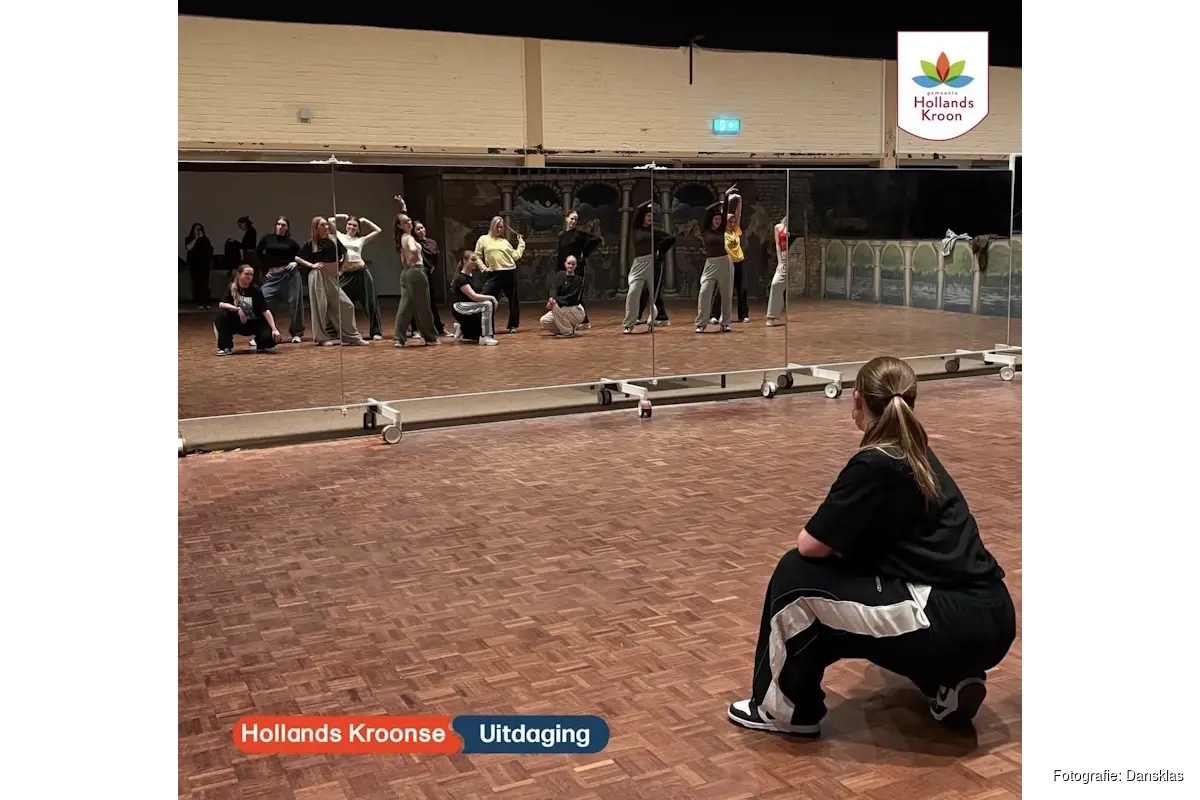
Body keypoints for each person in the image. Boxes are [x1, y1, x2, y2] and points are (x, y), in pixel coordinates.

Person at [726, 356, 1016, 738]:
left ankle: (784, 712)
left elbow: (809, 546)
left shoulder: (875, 463)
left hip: (951, 619)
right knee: (868, 596)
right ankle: (948, 680)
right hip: (992, 614)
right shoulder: (919, 454)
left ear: (858, 399)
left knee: (795, 579)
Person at [294, 217, 367, 347]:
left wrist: (341, 269)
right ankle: (322, 338)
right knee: (320, 307)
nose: (326, 227)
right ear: (316, 228)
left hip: (331, 276)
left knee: (346, 305)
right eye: (323, 225)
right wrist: (312, 265)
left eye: (327, 224)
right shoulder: (312, 243)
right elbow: (298, 258)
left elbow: (345, 253)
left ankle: (352, 337)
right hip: (317, 276)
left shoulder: (333, 239)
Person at [392, 196, 440, 347]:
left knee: (406, 306)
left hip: (406, 273)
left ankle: (399, 338)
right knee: (423, 306)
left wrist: (403, 206)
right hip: (416, 272)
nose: (409, 222)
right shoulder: (408, 238)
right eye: (406, 222)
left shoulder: (401, 237)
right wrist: (413, 253)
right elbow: (412, 249)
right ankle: (430, 337)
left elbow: (403, 257)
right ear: (400, 226)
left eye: (409, 220)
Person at [330, 213, 384, 340]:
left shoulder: (361, 240)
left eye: (355, 225)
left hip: (362, 273)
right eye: (349, 224)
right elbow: (329, 221)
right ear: (346, 226)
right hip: (346, 274)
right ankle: (336, 331)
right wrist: (342, 216)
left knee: (370, 302)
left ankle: (376, 332)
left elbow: (378, 230)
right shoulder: (339, 236)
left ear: (358, 228)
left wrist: (365, 221)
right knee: (338, 301)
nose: (351, 227)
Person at [255, 216, 305, 343]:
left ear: (287, 228)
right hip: (272, 276)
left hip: (290, 275)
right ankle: (263, 333)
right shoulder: (267, 239)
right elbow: (257, 255)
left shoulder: (291, 243)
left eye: (283, 225)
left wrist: (296, 263)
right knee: (263, 301)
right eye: (278, 224)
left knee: (295, 303)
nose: (280, 227)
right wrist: (264, 271)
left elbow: (302, 256)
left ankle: (297, 333)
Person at [696, 186, 738, 333]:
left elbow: (725, 212)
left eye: (720, 219)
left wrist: (726, 199)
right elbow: (707, 211)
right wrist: (721, 201)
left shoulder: (721, 230)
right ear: (711, 220)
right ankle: (701, 323)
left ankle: (725, 323)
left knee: (726, 294)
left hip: (725, 263)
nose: (718, 221)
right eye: (716, 219)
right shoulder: (705, 230)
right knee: (704, 292)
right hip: (711, 264)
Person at [474, 215, 526, 334]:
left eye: (501, 227)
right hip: (494, 273)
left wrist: (521, 244)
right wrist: (483, 267)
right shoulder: (483, 239)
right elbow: (477, 255)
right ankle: (486, 326)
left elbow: (515, 256)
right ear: (492, 226)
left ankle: (513, 325)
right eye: (497, 227)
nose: (499, 229)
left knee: (513, 300)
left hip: (509, 271)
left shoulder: (504, 242)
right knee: (486, 298)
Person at [215, 265, 282, 355]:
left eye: (251, 274)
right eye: (246, 274)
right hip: (239, 322)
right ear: (239, 274)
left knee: (273, 338)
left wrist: (274, 329)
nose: (249, 277)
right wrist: (237, 309)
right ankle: (225, 347)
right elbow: (221, 304)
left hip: (254, 322)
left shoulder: (255, 289)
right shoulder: (232, 287)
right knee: (222, 314)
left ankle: (261, 343)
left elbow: (265, 310)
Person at [557, 210, 602, 328]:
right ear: (567, 219)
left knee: (576, 294)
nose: (574, 221)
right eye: (572, 218)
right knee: (567, 294)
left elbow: (596, 240)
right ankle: (576, 320)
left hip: (577, 269)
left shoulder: (579, 234)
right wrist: (559, 270)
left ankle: (584, 321)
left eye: (576, 219)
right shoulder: (561, 235)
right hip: (565, 269)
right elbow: (560, 254)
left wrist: (583, 255)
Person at [622, 200, 659, 334]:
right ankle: (628, 324)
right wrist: (650, 201)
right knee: (633, 293)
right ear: (643, 216)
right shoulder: (636, 228)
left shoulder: (653, 231)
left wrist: (659, 253)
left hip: (652, 263)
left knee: (654, 296)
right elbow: (638, 209)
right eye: (648, 215)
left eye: (652, 216)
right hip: (639, 264)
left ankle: (652, 320)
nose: (650, 218)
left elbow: (667, 239)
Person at [710, 202, 749, 324]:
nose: (732, 224)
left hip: (739, 262)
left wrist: (739, 200)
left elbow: (738, 214)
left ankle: (743, 315)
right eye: (730, 222)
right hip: (727, 264)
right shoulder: (722, 233)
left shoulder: (735, 231)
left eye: (733, 222)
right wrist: (726, 201)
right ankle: (714, 315)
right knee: (721, 290)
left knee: (742, 289)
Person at [450, 251, 499, 346]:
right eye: (472, 260)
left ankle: (463, 328)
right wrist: (492, 298)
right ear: (465, 261)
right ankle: (485, 337)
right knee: (487, 305)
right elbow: (474, 296)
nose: (475, 262)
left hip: (470, 304)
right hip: (460, 306)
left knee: (488, 304)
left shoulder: (473, 276)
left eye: (476, 259)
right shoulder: (461, 278)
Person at [409, 221, 448, 338]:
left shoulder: (432, 242)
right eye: (418, 229)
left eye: (422, 228)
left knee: (431, 302)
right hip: (418, 272)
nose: (421, 231)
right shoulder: (414, 243)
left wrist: (433, 268)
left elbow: (435, 257)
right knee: (415, 302)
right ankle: (415, 329)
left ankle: (439, 328)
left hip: (429, 274)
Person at [636, 224, 677, 328]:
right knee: (649, 290)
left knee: (652, 290)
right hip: (644, 263)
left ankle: (659, 317)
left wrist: (659, 250)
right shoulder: (639, 232)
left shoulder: (653, 230)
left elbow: (671, 238)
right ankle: (660, 317)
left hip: (655, 263)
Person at [540, 255, 586, 337]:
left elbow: (572, 297)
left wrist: (555, 301)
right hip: (561, 308)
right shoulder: (560, 275)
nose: (570, 266)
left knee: (555, 306)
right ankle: (567, 329)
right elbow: (554, 288)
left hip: (575, 310)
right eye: (569, 263)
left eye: (573, 264)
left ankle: (567, 332)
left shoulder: (578, 280)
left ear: (576, 266)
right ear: (565, 264)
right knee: (544, 320)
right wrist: (551, 299)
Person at [765, 216, 794, 327]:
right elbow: (777, 244)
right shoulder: (778, 227)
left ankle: (776, 311)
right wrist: (780, 262)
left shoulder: (792, 226)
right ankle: (771, 316)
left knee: (783, 286)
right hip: (783, 256)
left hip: (793, 256)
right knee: (775, 284)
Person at [184, 223, 214, 309]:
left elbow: (210, 250)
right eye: (196, 229)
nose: (198, 230)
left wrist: (202, 238)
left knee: (205, 283)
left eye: (200, 229)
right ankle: (199, 302)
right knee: (197, 283)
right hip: (194, 264)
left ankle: (206, 301)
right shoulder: (189, 238)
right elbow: (188, 248)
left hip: (204, 263)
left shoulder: (205, 239)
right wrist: (196, 238)